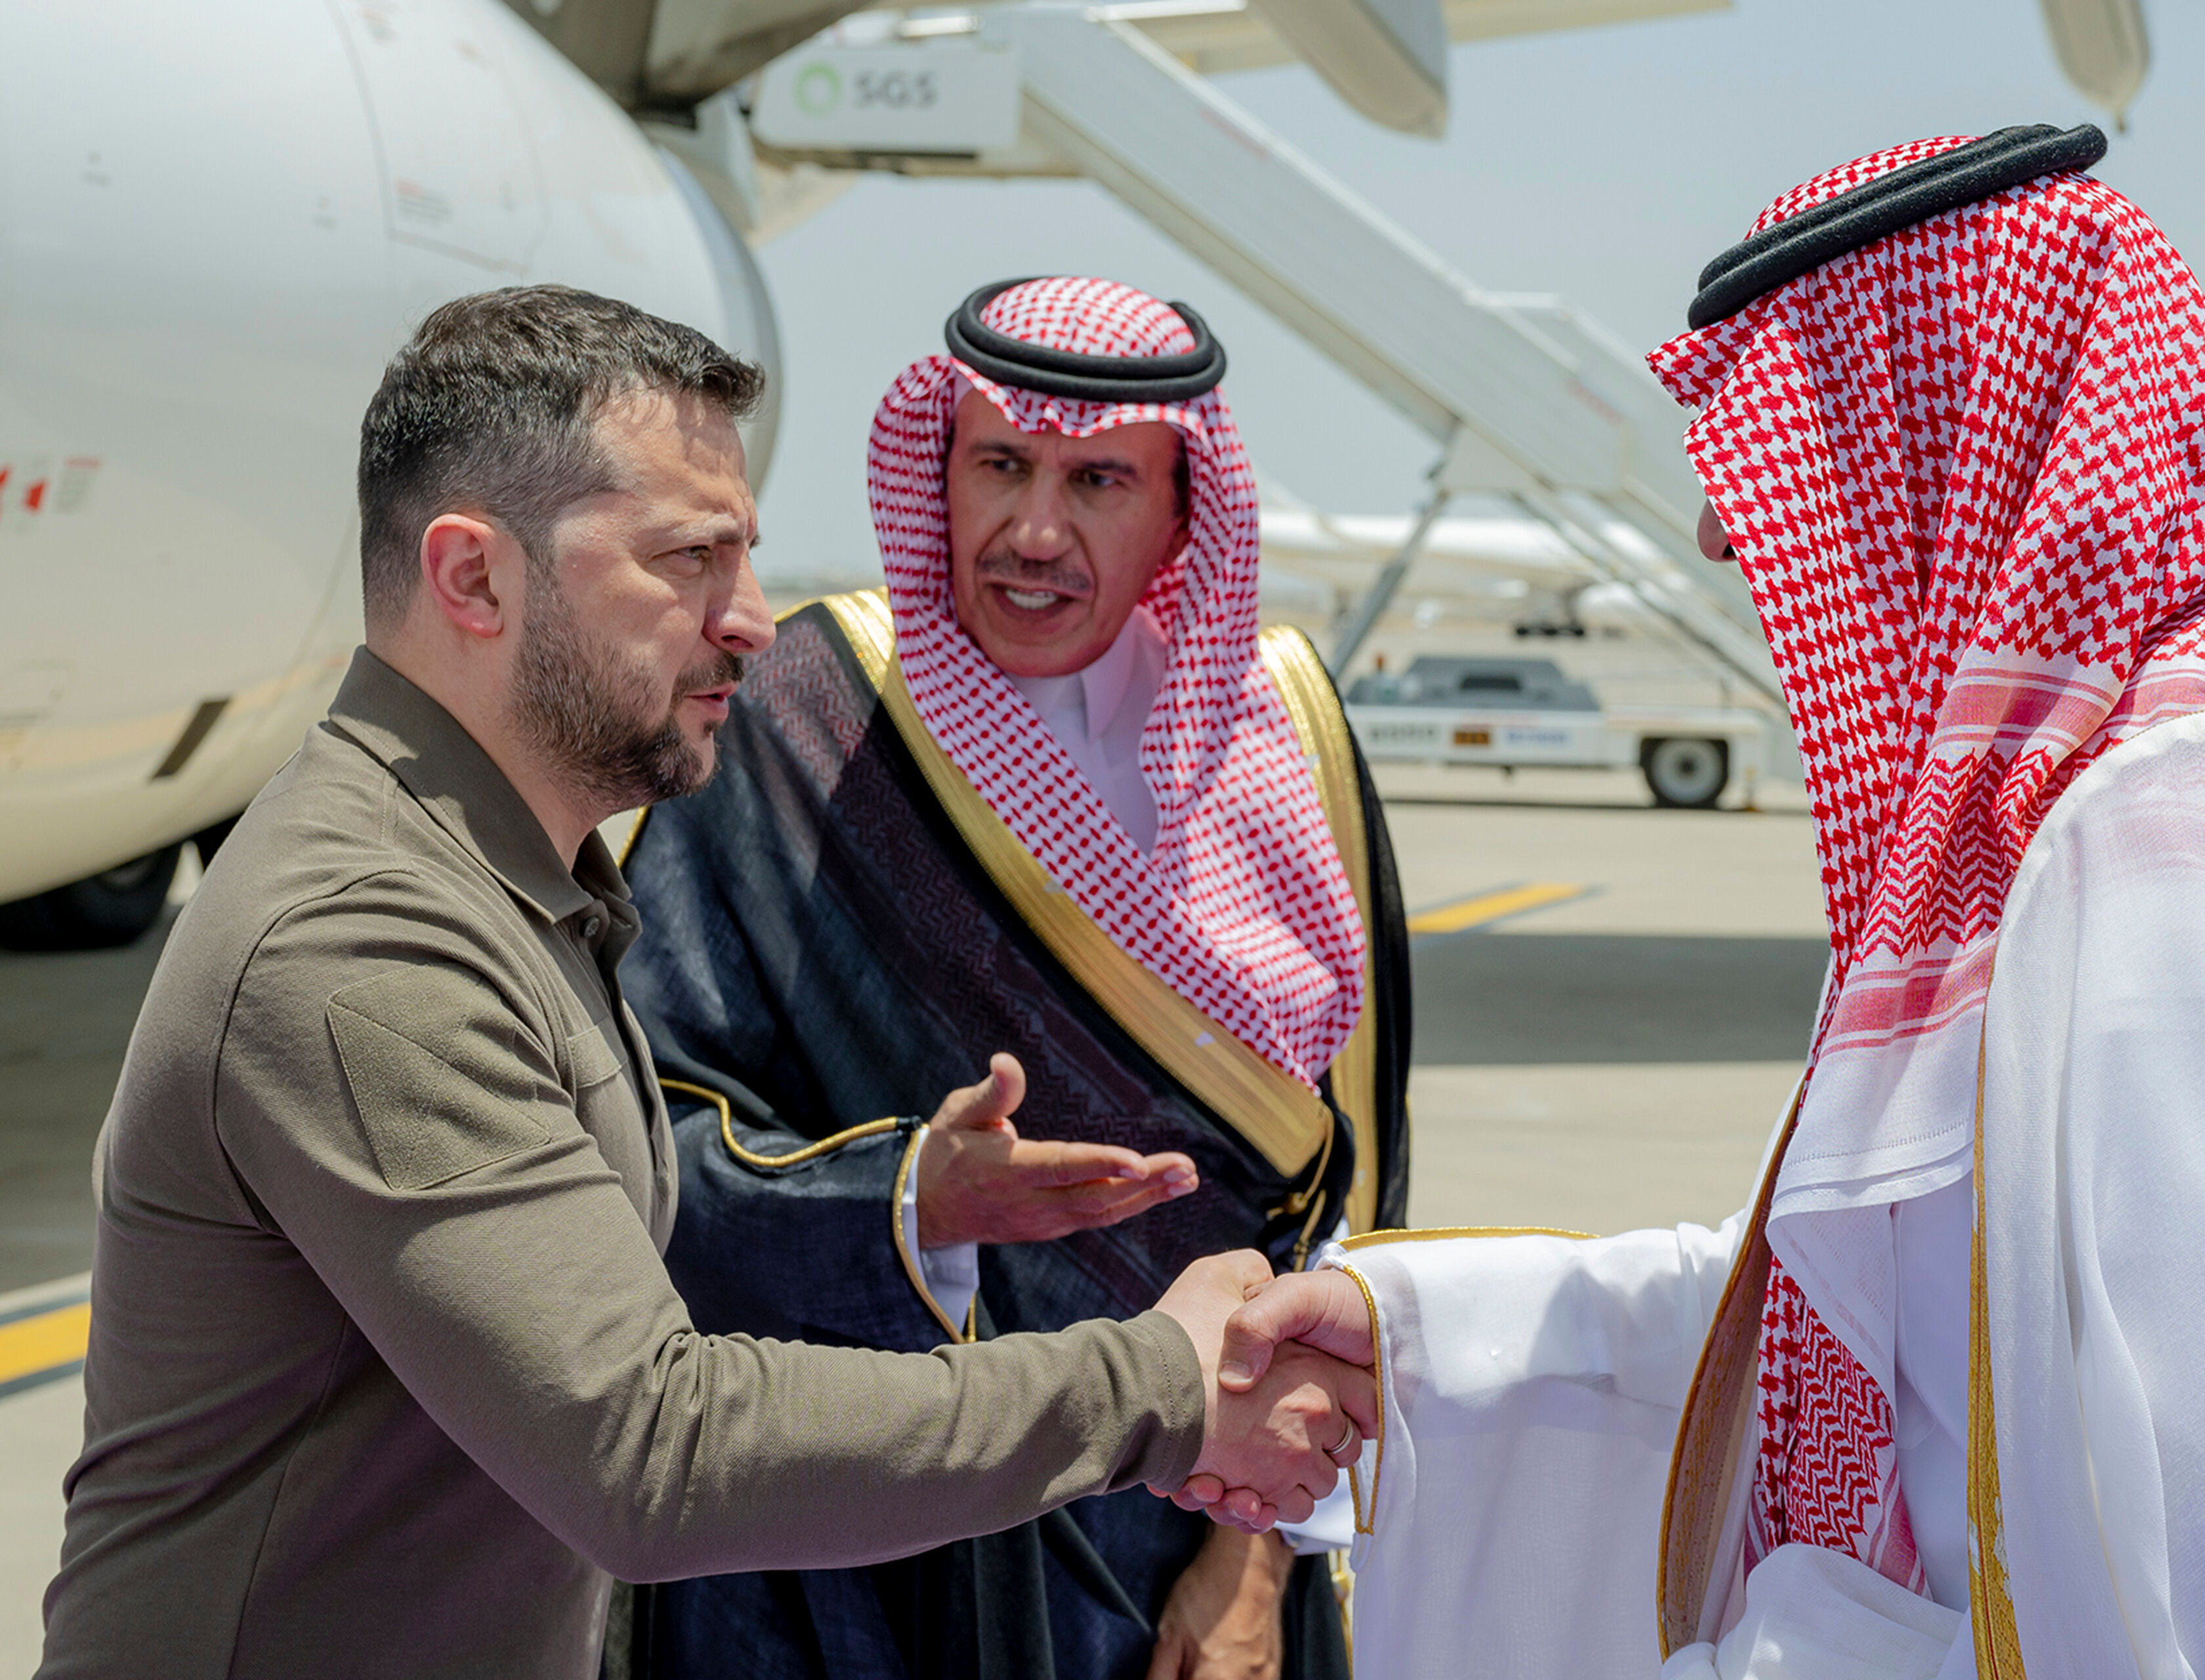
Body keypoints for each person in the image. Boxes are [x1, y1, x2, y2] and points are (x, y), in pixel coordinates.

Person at [1192, 125, 2205, 1677]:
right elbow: (1863, 1333)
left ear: (1952, 447)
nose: (1724, 526)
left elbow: (2185, 1569)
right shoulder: (2045, 828)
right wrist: (1414, 1336)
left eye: (1799, 436)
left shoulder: (2163, 846)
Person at [38, 285, 1373, 1680]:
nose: (751, 621)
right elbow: (648, 1450)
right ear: (475, 579)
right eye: (688, 559)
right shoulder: (369, 941)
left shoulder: (512, 887)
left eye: (744, 556)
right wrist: (1159, 1382)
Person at [611, 274, 1412, 1679]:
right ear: (940, 470)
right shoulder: (807, 718)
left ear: (1184, 508)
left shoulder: (1289, 723)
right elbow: (645, 1135)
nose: (1034, 531)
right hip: (877, 1539)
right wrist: (909, 1200)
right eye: (999, 466)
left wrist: (1256, 1562)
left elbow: (1353, 1181)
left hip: (1210, 1523)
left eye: (1097, 480)